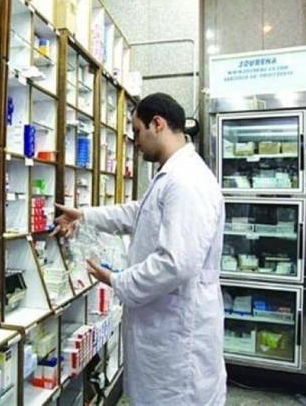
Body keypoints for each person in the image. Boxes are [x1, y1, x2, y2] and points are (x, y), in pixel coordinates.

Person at [53, 93, 227, 405]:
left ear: (157, 124)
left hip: (178, 338)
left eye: (136, 131)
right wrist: (85, 216)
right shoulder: (171, 175)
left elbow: (175, 263)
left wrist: (116, 280)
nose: (135, 142)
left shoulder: (186, 181)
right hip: (164, 327)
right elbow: (139, 213)